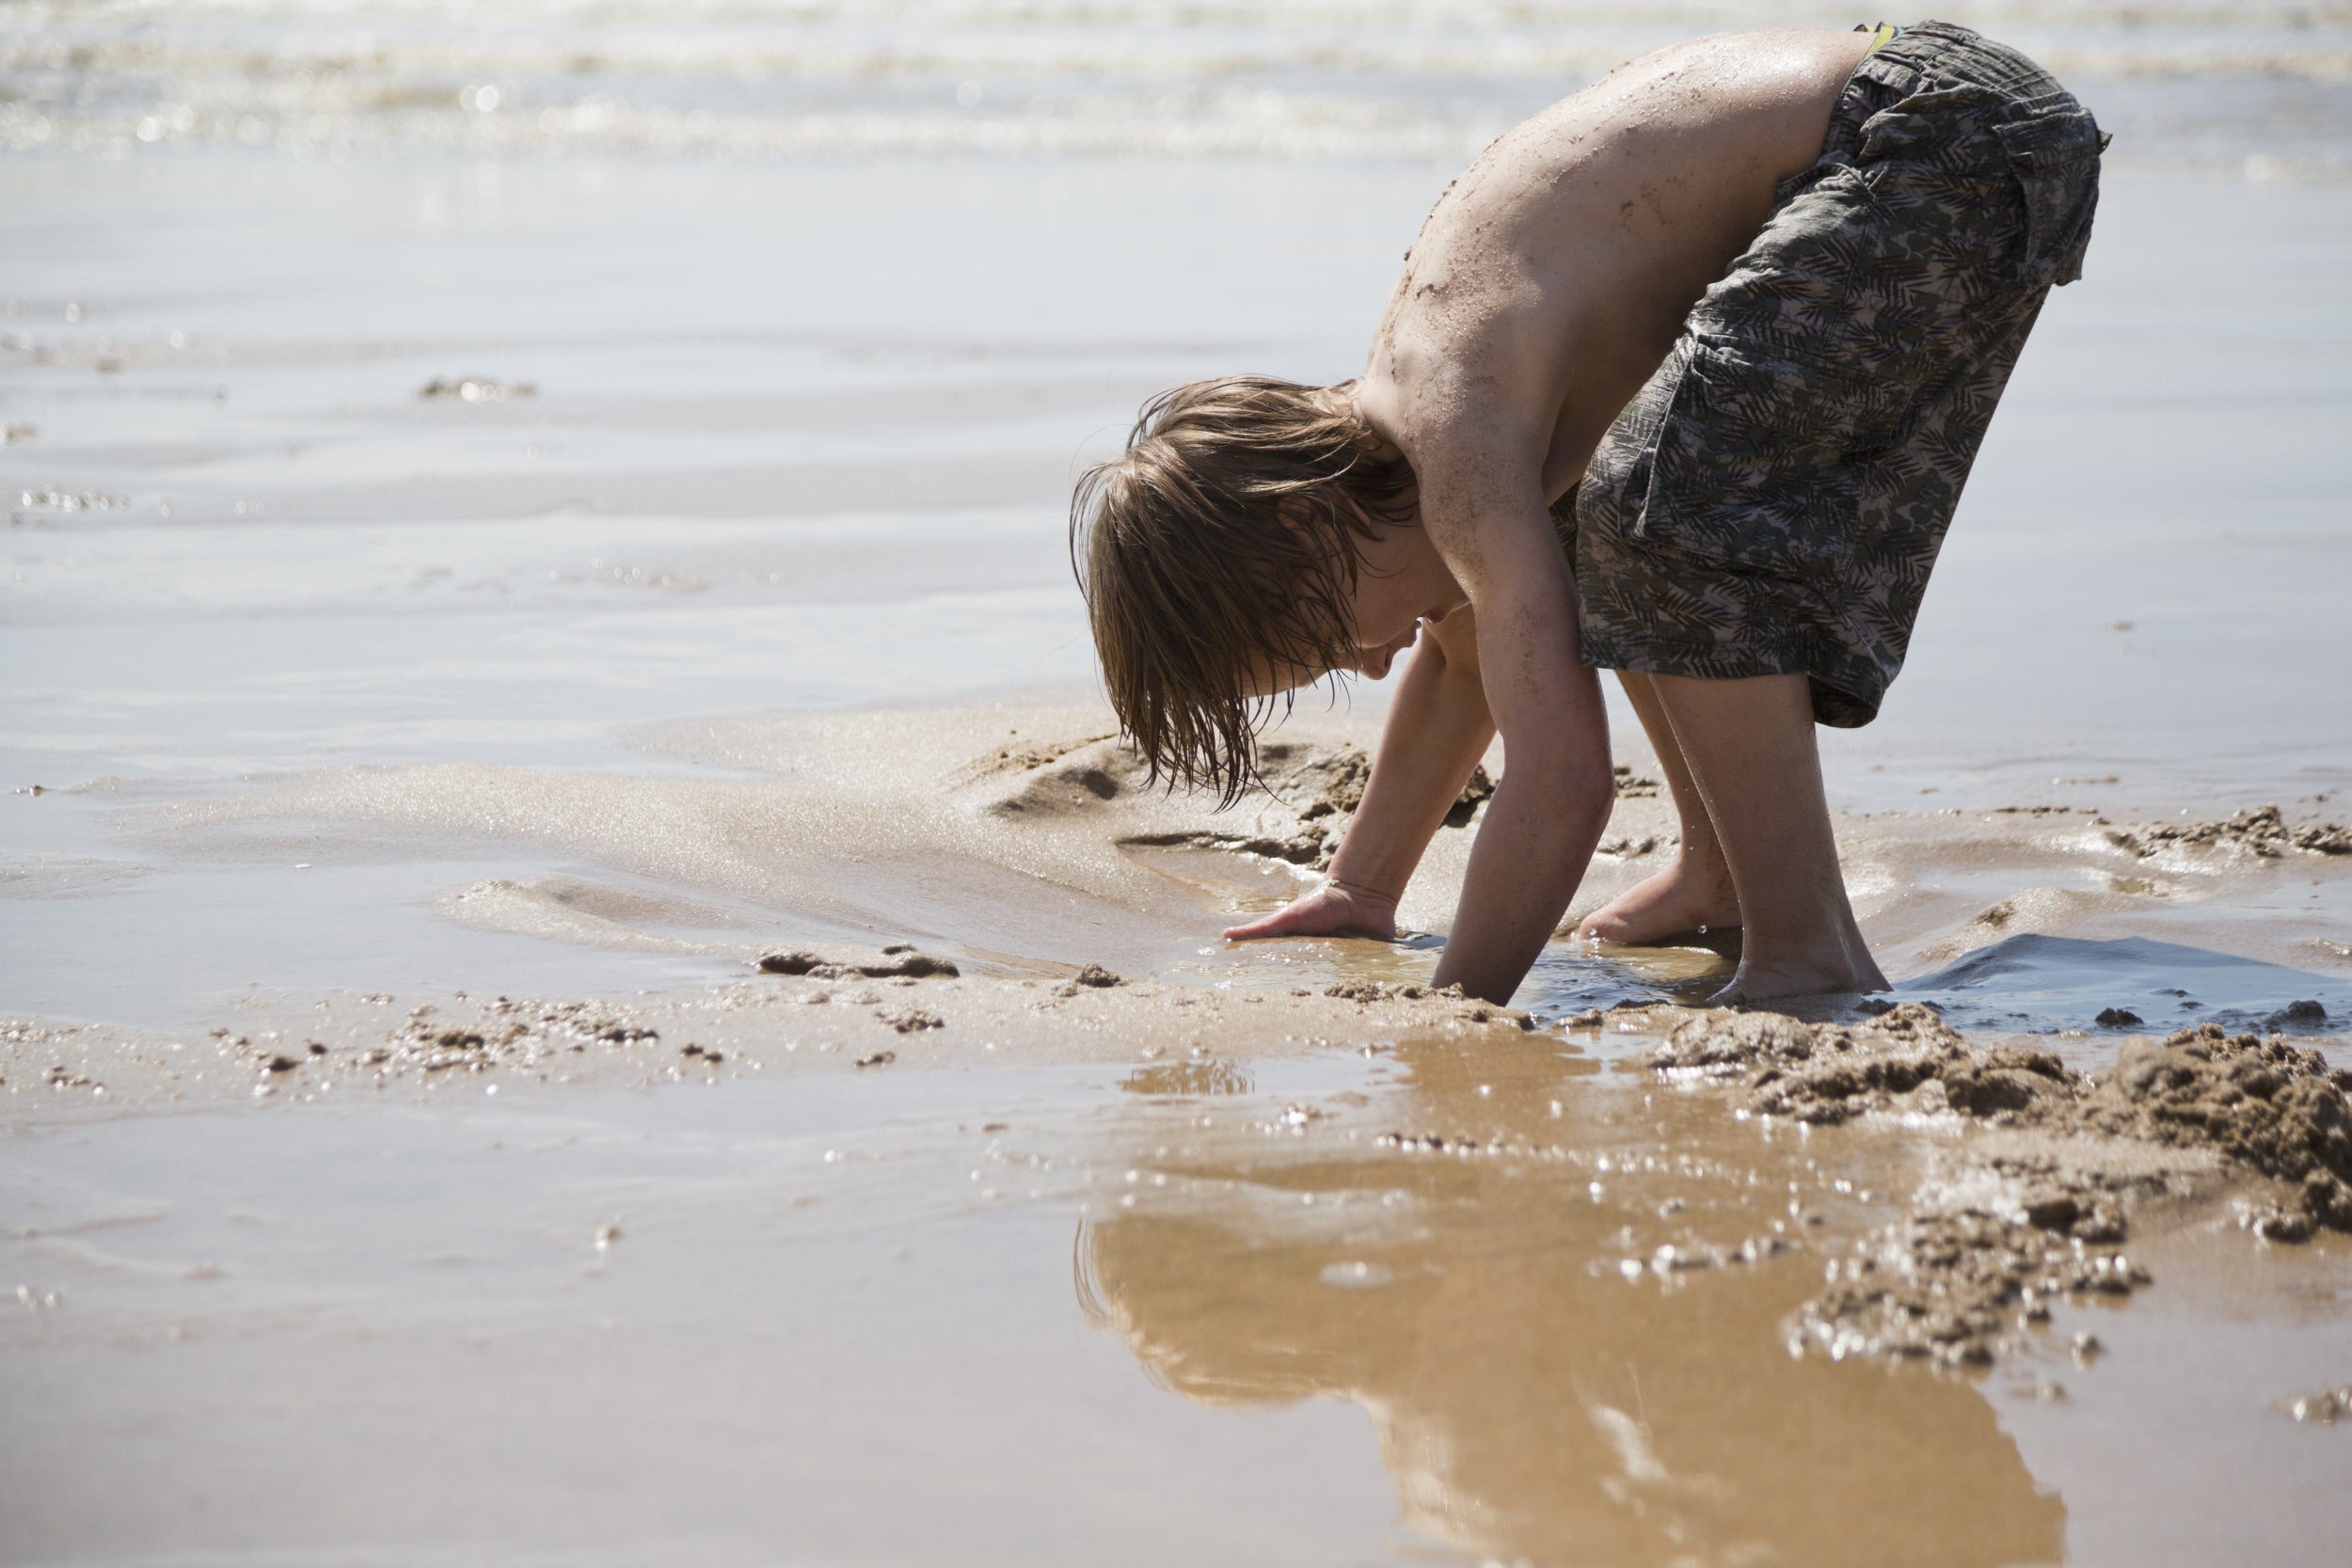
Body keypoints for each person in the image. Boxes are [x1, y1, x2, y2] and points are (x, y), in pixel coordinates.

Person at [1069, 21, 2106, 1006]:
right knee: (1589, 533)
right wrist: (1363, 890)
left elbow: (1563, 781)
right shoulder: (1446, 440)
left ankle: (1808, 949)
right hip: (1924, 130)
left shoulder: (1456, 437)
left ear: (1305, 522)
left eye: (1337, 642)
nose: (1379, 661)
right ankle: (1718, 870)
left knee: (1655, 511)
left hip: (1933, 137)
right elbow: (1474, 655)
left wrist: (1459, 1005)